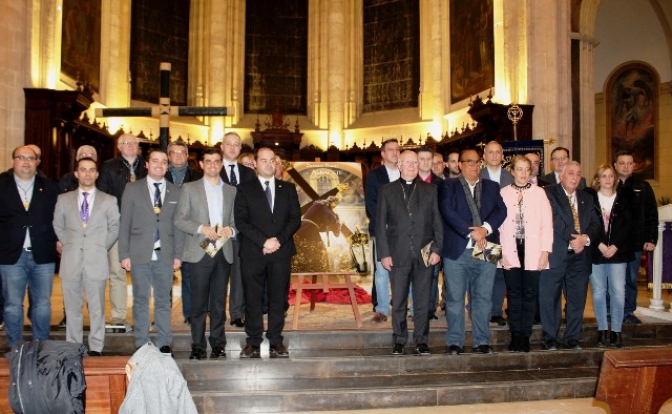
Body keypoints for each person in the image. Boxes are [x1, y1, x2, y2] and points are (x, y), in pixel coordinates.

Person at [234, 147, 301, 358]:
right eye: (264, 160)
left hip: (280, 252)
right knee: (252, 298)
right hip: (253, 252)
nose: (269, 164)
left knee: (277, 298)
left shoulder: (288, 189)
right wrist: (264, 241)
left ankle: (275, 340)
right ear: (255, 163)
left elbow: (294, 219)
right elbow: (241, 221)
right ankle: (253, 341)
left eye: (272, 160)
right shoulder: (244, 189)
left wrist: (278, 241)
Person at [439, 148, 506, 355]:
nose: (474, 166)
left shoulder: (492, 186)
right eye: (469, 162)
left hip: (487, 247)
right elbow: (447, 211)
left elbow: (501, 210)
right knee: (455, 298)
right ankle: (455, 341)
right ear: (459, 164)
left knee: (483, 297)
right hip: (458, 249)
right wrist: (472, 233)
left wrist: (485, 229)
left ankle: (481, 340)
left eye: (477, 162)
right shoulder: (448, 186)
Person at [118, 148, 184, 354]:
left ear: (168, 165)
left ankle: (164, 342)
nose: (159, 165)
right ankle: (142, 342)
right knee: (140, 299)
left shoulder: (176, 191)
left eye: (164, 162)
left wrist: (178, 255)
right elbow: (124, 223)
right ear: (146, 164)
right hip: (139, 253)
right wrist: (124, 254)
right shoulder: (132, 189)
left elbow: (178, 227)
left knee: (164, 301)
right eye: (155, 161)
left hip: (165, 254)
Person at [376, 150, 443, 356]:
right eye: (408, 163)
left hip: (424, 255)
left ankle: (422, 340)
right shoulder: (387, 191)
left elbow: (438, 223)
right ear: (399, 165)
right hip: (398, 255)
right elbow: (380, 225)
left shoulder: (430, 190)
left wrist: (437, 249)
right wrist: (384, 254)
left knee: (422, 301)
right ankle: (399, 339)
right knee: (398, 301)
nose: (412, 166)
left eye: (415, 163)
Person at [53, 157, 120, 356]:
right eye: (83, 170)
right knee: (72, 309)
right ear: (76, 174)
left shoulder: (108, 200)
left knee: (97, 308)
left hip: (96, 260)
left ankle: (96, 347)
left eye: (91, 170)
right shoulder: (63, 200)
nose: (87, 174)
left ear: (97, 174)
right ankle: (73, 346)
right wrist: (71, 244)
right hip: (71, 260)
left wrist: (100, 246)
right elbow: (58, 225)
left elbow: (115, 227)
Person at [175, 148, 237, 360]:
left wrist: (232, 230)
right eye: (208, 161)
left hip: (223, 252)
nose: (212, 165)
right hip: (199, 251)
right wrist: (201, 228)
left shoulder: (231, 191)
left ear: (221, 164)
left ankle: (218, 345)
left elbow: (237, 222)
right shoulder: (189, 189)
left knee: (219, 303)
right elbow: (179, 219)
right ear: (201, 164)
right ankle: (198, 346)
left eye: (216, 161)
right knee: (198, 303)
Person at [0, 146, 59, 349]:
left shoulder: (50, 188)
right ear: (13, 161)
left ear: (37, 162)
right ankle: (15, 346)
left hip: (42, 254)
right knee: (12, 306)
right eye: (21, 158)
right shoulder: (1, 185)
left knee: (42, 305)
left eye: (30, 158)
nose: (26, 162)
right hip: (10, 256)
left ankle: (40, 346)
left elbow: (58, 220)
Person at [540, 161, 600, 350]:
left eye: (578, 174)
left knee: (577, 298)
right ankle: (550, 337)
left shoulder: (587, 197)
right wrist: (574, 238)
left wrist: (585, 239)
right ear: (562, 175)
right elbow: (552, 219)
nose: (575, 177)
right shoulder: (548, 192)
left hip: (580, 257)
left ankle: (572, 336)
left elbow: (596, 224)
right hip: (556, 253)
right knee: (550, 297)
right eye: (571, 173)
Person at [498, 155, 553, 352]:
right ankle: (515, 335)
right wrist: (500, 252)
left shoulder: (539, 193)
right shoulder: (503, 193)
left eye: (526, 169)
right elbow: (497, 226)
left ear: (531, 172)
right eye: (519, 169)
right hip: (509, 251)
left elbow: (547, 225)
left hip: (534, 251)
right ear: (512, 171)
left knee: (529, 294)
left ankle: (525, 336)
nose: (522, 173)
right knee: (513, 295)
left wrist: (546, 251)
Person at [97, 133, 148, 331]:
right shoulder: (109, 166)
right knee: (117, 272)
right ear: (119, 146)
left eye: (134, 143)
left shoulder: (146, 166)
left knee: (141, 273)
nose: (130, 146)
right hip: (117, 225)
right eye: (126, 143)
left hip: (142, 228)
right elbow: (102, 195)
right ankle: (118, 316)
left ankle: (141, 315)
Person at [586, 163, 633, 348]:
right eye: (603, 176)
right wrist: (598, 244)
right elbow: (587, 222)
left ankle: (616, 331)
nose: (607, 179)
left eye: (610, 176)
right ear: (597, 179)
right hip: (596, 252)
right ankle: (602, 329)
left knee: (618, 292)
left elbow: (628, 224)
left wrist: (615, 245)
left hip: (618, 252)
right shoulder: (590, 197)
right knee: (598, 293)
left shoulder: (623, 198)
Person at [56, 144, 99, 328]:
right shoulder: (65, 182)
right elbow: (58, 219)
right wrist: (62, 240)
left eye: (90, 155)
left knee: (95, 289)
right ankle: (69, 319)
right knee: (72, 286)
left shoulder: (101, 183)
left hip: (95, 245)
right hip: (72, 245)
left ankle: (96, 334)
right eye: (82, 155)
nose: (86, 156)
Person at [614, 150, 658, 325]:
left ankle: (628, 312)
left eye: (629, 163)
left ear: (633, 166)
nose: (626, 166)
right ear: (616, 165)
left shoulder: (643, 186)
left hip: (634, 243)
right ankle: (612, 311)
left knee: (630, 279)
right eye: (622, 163)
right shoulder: (609, 184)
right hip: (614, 243)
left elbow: (651, 214)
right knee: (614, 280)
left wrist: (651, 238)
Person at [219, 132, 256, 327]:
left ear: (241, 149)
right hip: (217, 229)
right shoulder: (213, 169)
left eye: (236, 145)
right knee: (216, 272)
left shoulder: (249, 173)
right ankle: (216, 312)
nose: (232, 148)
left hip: (241, 230)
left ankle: (236, 313)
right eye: (229, 144)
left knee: (239, 273)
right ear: (222, 147)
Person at [165, 141, 203, 326]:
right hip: (165, 232)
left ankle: (190, 313)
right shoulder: (159, 175)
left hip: (189, 231)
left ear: (187, 155)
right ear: (168, 155)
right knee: (164, 276)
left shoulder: (197, 176)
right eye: (174, 152)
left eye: (182, 152)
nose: (178, 155)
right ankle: (164, 314)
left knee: (189, 276)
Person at [365, 138, 400, 323]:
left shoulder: (407, 172)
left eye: (397, 149)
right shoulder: (375, 176)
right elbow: (371, 204)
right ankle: (382, 309)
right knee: (382, 270)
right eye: (391, 149)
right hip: (383, 230)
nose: (395, 152)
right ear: (383, 154)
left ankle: (405, 306)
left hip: (404, 232)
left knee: (404, 268)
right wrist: (387, 223)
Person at [479, 141, 514, 327]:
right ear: (484, 156)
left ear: (502, 156)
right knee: (485, 272)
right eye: (490, 152)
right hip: (486, 233)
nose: (494, 155)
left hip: (507, 233)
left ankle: (496, 311)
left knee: (501, 273)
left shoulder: (511, 177)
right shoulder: (477, 175)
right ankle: (481, 310)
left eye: (497, 152)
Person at [417, 147, 443, 320]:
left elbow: (441, 211)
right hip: (413, 236)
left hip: (432, 235)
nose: (426, 162)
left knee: (433, 274)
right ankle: (417, 308)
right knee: (414, 274)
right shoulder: (408, 180)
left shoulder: (440, 183)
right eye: (422, 159)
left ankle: (429, 309)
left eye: (429, 159)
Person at [292, 196, 343, 272]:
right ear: (331, 201)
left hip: (305, 227)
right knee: (318, 251)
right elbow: (329, 222)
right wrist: (337, 220)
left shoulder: (319, 205)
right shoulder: (324, 207)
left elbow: (326, 224)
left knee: (308, 248)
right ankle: (316, 269)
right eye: (335, 202)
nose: (335, 205)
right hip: (310, 228)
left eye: (337, 204)